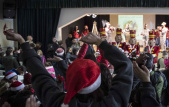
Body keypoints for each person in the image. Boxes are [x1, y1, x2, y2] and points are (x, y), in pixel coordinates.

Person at [5, 30, 133, 106]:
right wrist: (100, 42)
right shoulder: (112, 103)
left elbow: (40, 74)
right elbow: (126, 66)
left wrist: (23, 42)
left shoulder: (57, 102)